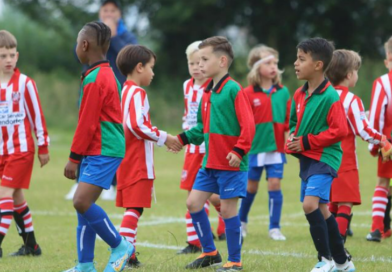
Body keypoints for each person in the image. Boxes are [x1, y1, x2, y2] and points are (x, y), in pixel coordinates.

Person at [174, 36, 255, 271]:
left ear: (221, 61)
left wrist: (239, 151)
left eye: (204, 60)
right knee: (193, 203)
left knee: (229, 210)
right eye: (197, 61)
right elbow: (201, 128)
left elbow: (248, 126)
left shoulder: (233, 90)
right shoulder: (207, 92)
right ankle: (210, 253)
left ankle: (235, 261)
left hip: (231, 165)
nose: (199, 65)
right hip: (209, 163)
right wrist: (181, 139)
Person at [63, 21, 133, 272]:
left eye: (76, 43)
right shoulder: (104, 73)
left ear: (84, 45)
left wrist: (73, 157)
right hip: (97, 149)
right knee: (83, 210)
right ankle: (85, 266)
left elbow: (87, 123)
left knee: (81, 201)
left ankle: (120, 246)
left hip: (104, 149)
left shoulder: (96, 78)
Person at [286, 38, 355, 272]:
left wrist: (305, 141)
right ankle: (343, 262)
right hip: (308, 159)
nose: (295, 63)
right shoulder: (299, 94)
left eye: (301, 59)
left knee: (309, 205)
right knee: (323, 210)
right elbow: (294, 123)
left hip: (325, 158)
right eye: (296, 58)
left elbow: (339, 131)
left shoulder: (330, 97)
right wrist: (292, 137)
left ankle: (324, 260)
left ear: (318, 65)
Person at [115, 44, 182, 268]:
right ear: (140, 67)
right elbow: (136, 125)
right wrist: (165, 137)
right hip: (137, 161)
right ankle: (124, 253)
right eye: (152, 68)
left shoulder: (125, 90)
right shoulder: (137, 92)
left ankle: (129, 253)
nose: (153, 73)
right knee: (135, 208)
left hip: (127, 159)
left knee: (133, 207)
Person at [65, 0, 137, 201]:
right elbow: (78, 53)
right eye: (105, 10)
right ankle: (81, 182)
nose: (109, 14)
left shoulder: (126, 35)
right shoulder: (89, 32)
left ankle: (109, 185)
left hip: (114, 92)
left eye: (113, 10)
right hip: (91, 90)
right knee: (87, 132)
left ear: (119, 14)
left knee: (106, 135)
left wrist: (114, 36)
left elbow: (132, 57)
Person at [325, 49, 392, 245]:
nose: (358, 74)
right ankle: (338, 251)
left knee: (331, 204)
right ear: (349, 75)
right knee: (345, 204)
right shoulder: (352, 100)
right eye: (356, 70)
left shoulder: (322, 96)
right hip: (344, 161)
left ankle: (329, 248)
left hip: (323, 161)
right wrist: (383, 140)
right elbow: (363, 131)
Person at [0, 30, 49, 258]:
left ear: (17, 55)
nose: (8, 60)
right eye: (3, 56)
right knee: (17, 198)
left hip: (21, 150)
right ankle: (32, 246)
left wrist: (43, 146)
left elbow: (37, 116)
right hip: (2, 152)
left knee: (3, 195)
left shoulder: (25, 84)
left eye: (11, 55)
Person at [177, 41, 226, 255]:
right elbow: (189, 112)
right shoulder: (186, 85)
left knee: (213, 196)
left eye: (201, 62)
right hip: (191, 148)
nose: (196, 67)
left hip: (209, 148)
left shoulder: (214, 87)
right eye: (192, 63)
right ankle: (194, 242)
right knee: (191, 193)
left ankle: (226, 220)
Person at [239, 45, 290, 241]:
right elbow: (243, 122)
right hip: (254, 148)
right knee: (250, 187)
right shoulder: (247, 93)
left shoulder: (283, 92)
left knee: (275, 184)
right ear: (256, 67)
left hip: (276, 149)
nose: (273, 67)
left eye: (275, 63)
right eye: (268, 63)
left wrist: (291, 134)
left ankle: (274, 228)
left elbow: (288, 120)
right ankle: (242, 222)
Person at [366, 36, 392, 242]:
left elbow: (376, 115)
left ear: (387, 60)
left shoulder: (383, 82)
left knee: (383, 183)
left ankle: (377, 228)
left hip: (388, 143)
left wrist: (374, 145)